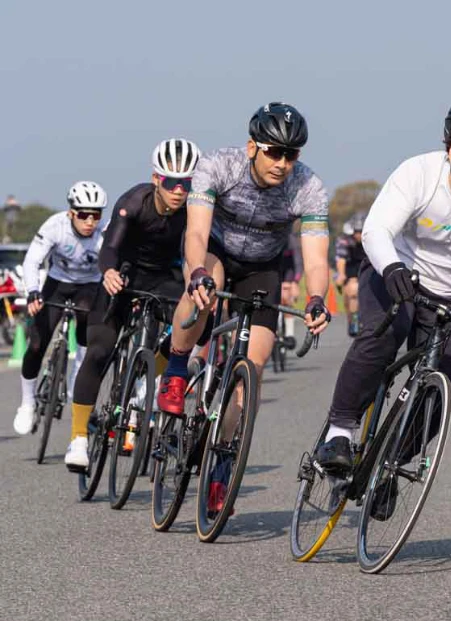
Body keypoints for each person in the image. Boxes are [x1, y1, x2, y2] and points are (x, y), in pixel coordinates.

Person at [314, 97, 451, 497]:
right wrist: (392, 268)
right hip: (397, 271)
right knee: (382, 337)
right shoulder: (418, 173)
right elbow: (376, 232)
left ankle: (389, 465)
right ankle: (340, 432)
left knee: (445, 387)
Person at [155, 102, 332, 513]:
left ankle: (221, 467)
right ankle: (177, 368)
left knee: (252, 367)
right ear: (253, 147)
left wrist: (316, 298)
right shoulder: (219, 166)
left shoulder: (309, 188)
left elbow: (316, 261)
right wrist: (197, 272)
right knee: (205, 289)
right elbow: (196, 233)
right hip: (215, 252)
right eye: (274, 152)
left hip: (262, 267)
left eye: (291, 154)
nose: (282, 163)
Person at [64, 140, 201, 472]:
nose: (179, 191)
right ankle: (79, 438)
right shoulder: (133, 202)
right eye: (171, 182)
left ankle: (147, 375)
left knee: (200, 322)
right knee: (99, 350)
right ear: (156, 179)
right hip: (124, 275)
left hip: (164, 278)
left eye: (186, 183)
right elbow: (110, 248)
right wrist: (109, 272)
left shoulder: (193, 210)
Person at [12, 182, 106, 469]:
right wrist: (33, 292)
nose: (90, 221)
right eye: (83, 215)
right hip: (57, 285)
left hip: (89, 287)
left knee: (87, 339)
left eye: (96, 215)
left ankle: (77, 388)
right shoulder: (55, 226)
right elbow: (32, 260)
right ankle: (28, 402)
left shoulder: (103, 233)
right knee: (37, 343)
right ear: (70, 213)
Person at [334, 214, 367, 336]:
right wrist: (341, 275)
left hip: (366, 265)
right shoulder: (344, 240)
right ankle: (353, 319)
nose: (358, 235)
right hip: (350, 267)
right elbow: (341, 260)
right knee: (352, 291)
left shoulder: (371, 239)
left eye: (361, 232)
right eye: (356, 232)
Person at [279, 226, 304, 346]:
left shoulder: (292, 240)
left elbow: (298, 263)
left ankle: (289, 334)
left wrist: (295, 282)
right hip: (273, 268)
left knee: (286, 298)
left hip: (288, 270)